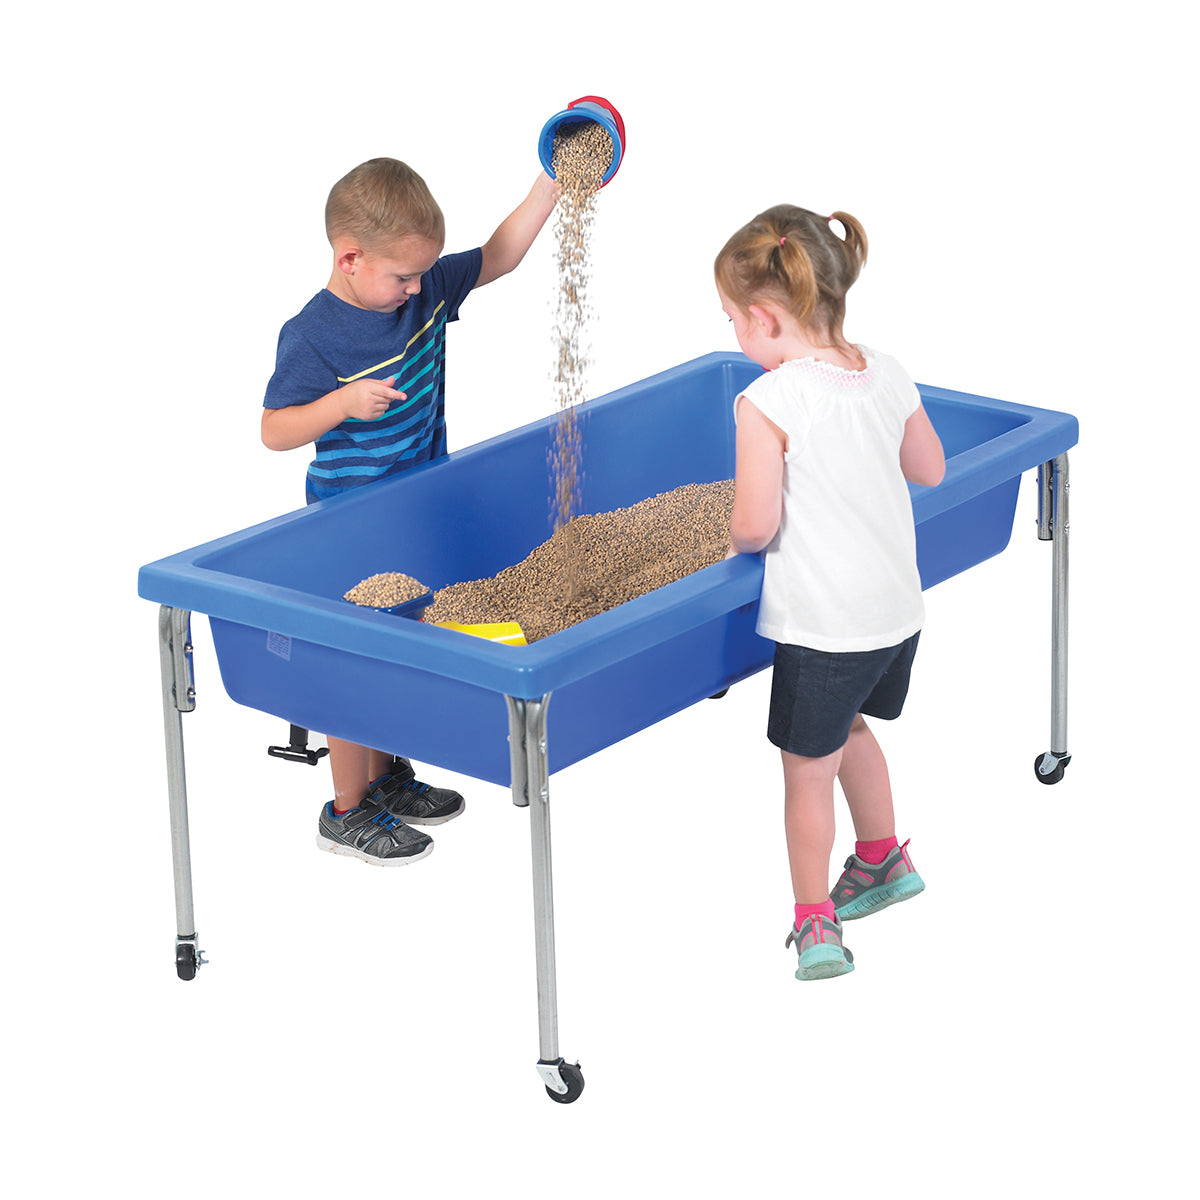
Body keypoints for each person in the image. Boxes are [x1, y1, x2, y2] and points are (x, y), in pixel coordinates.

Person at [263, 157, 558, 866]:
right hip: (349, 523)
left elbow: (499, 254)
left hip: (417, 508)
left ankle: (386, 776)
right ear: (350, 259)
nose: (419, 288)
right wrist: (340, 403)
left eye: (424, 274)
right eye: (403, 276)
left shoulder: (420, 293)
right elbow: (274, 430)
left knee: (404, 639)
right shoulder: (313, 335)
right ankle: (345, 809)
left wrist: (552, 181)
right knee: (355, 657)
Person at [715, 204, 946, 980]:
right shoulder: (886, 370)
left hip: (826, 628)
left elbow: (755, 524)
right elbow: (930, 469)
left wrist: (727, 539)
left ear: (763, 317)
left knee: (805, 770)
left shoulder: (770, 401)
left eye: (732, 320)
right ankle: (882, 858)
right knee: (850, 730)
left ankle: (815, 921)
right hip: (896, 615)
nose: (735, 335)